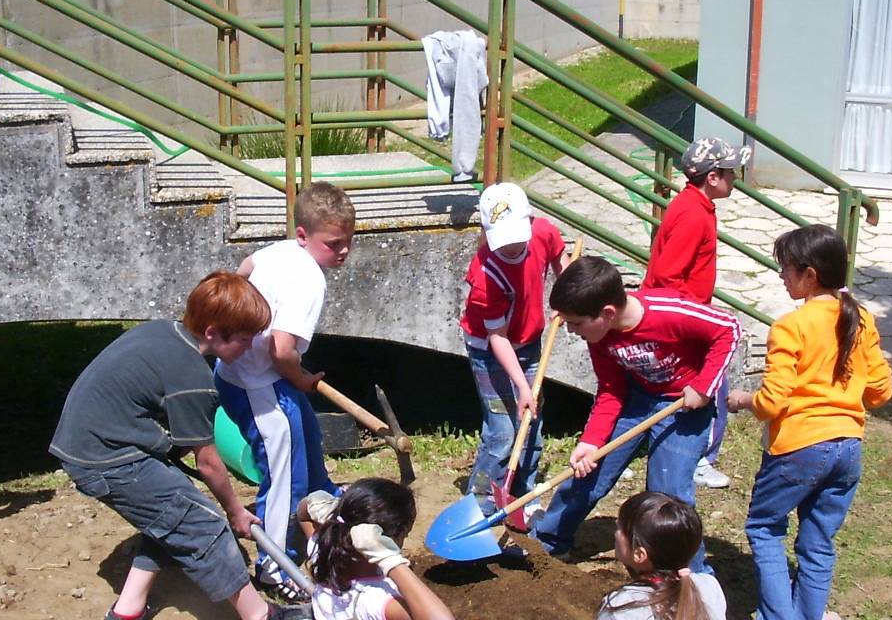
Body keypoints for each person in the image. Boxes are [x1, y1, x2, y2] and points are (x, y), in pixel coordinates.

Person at [50, 271, 312, 620]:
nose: (250, 347)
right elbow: (208, 463)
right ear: (212, 332)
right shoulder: (192, 377)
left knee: (174, 512)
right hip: (106, 457)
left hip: (89, 441)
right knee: (203, 525)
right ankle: (260, 615)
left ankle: (128, 609)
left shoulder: (164, 330)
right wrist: (235, 511)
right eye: (244, 339)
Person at [531, 256, 741, 572]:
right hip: (637, 401)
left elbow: (729, 328)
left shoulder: (670, 312)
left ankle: (690, 576)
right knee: (588, 473)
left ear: (607, 313)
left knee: (668, 497)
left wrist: (703, 387)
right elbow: (611, 390)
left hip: (684, 410)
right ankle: (546, 543)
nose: (571, 331)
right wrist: (591, 441)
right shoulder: (600, 335)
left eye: (575, 323)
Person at [728, 225, 892, 620]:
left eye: (785, 268)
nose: (782, 276)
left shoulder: (791, 326)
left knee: (764, 528)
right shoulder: (861, 319)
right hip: (848, 446)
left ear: (810, 274)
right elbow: (879, 393)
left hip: (798, 448)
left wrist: (744, 400)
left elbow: (773, 402)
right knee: (818, 542)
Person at [214, 181, 356, 598]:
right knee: (281, 478)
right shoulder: (309, 280)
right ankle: (275, 568)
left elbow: (243, 270)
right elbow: (281, 350)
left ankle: (324, 501)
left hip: (238, 374)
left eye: (349, 241)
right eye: (334, 244)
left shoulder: (277, 252)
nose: (344, 251)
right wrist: (302, 380)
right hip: (259, 386)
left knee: (306, 435)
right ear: (303, 235)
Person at [642, 136, 751, 491]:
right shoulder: (692, 215)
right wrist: (691, 322)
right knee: (711, 385)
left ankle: (691, 455)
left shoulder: (696, 206)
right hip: (684, 320)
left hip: (686, 313)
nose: (735, 178)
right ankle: (699, 459)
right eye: (731, 172)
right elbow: (668, 276)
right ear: (712, 177)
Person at [459, 182, 567, 518]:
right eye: (502, 240)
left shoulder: (543, 232)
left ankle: (524, 495)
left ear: (529, 221)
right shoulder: (485, 276)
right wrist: (521, 386)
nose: (510, 247)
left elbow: (560, 258)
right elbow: (497, 337)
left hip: (529, 341)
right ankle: (479, 503)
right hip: (490, 350)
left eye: (516, 237)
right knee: (503, 431)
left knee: (530, 421)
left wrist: (567, 297)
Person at [296, 478, 456, 620]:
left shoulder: (323, 553)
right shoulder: (376, 600)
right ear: (387, 539)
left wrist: (323, 507)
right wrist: (391, 561)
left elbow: (304, 514)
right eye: (405, 535)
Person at [597, 492, 726, 620]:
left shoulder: (620, 608)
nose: (616, 531)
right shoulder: (708, 587)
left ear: (639, 555)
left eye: (620, 528)